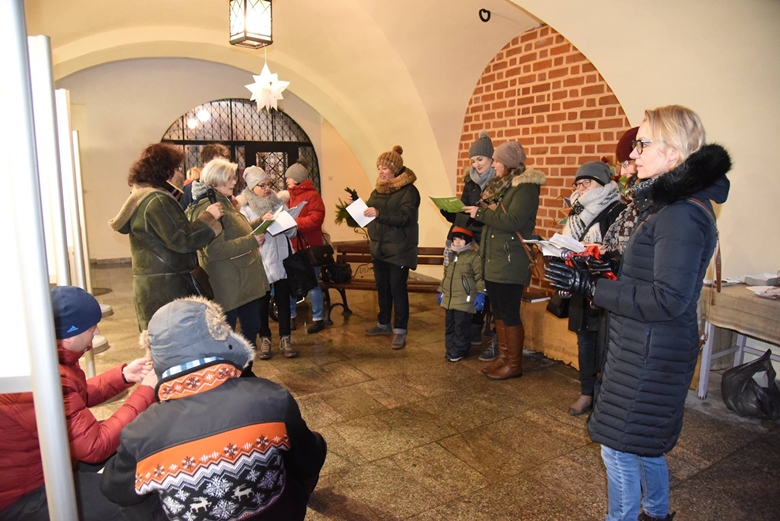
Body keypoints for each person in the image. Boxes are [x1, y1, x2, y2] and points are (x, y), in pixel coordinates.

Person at [545, 105, 731, 521]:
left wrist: (594, 287)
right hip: (643, 344)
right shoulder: (668, 206)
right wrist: (601, 267)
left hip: (654, 350)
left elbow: (667, 298)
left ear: (674, 153)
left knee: (618, 447)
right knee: (642, 442)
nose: (633, 155)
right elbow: (647, 273)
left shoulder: (682, 214)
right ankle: (657, 512)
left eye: (643, 144)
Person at [100, 297, 328, 521]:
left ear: (155, 357)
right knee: (311, 444)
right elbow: (308, 458)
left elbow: (114, 489)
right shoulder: (271, 397)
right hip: (278, 514)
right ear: (220, 338)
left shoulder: (141, 431)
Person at [0, 286, 158, 521]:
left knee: (133, 441)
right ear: (70, 334)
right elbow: (95, 447)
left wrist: (123, 376)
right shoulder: (44, 374)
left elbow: (70, 398)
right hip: (27, 495)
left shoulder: (44, 356)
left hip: (46, 464)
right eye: (91, 327)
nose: (97, 332)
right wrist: (146, 390)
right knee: (132, 507)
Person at [109, 143, 223, 331]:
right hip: (168, 289)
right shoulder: (157, 200)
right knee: (174, 343)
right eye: (177, 169)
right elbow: (182, 239)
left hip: (154, 288)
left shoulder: (143, 197)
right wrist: (208, 217)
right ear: (164, 171)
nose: (180, 173)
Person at [463, 141, 545, 380]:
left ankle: (514, 364)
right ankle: (503, 357)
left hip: (511, 260)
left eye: (497, 160)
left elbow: (514, 221)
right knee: (498, 311)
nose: (494, 164)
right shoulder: (501, 185)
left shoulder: (525, 186)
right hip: (495, 259)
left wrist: (481, 213)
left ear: (508, 162)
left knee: (509, 312)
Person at [187, 159, 276, 360]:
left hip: (241, 281)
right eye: (229, 178)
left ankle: (246, 372)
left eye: (234, 177)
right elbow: (215, 250)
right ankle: (236, 375)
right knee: (230, 338)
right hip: (229, 284)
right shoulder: (209, 206)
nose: (234, 181)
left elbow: (236, 231)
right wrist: (252, 241)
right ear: (215, 178)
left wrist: (260, 222)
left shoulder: (224, 201)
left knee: (250, 329)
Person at [559, 161, 625, 416]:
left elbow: (619, 250)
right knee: (585, 341)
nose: (581, 188)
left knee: (606, 342)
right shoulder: (577, 211)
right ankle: (586, 392)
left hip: (604, 286)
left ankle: (606, 396)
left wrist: (595, 252)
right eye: (578, 183)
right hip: (579, 284)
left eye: (587, 182)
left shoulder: (617, 210)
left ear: (603, 184)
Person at [350, 145, 420, 350]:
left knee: (398, 290)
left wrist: (380, 214)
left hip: (399, 249)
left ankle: (400, 330)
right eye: (378, 167)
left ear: (395, 170)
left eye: (384, 168)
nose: (380, 171)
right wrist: (356, 205)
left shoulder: (409, 191)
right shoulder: (378, 190)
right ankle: (383, 323)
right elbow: (368, 213)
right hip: (379, 247)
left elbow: (405, 218)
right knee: (382, 288)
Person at [440, 130, 498, 361]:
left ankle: (481, 331)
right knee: (466, 286)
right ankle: (472, 333)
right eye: (473, 161)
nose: (476, 164)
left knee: (480, 287)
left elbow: (493, 216)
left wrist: (477, 215)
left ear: (491, 160)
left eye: (480, 160)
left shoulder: (497, 183)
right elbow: (463, 212)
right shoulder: (470, 182)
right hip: (466, 240)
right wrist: (450, 212)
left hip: (484, 240)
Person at [238, 165, 298, 360]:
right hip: (260, 260)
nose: (266, 189)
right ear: (252, 187)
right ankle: (265, 338)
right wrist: (261, 226)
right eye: (261, 185)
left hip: (280, 259)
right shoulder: (245, 208)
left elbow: (292, 232)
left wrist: (287, 227)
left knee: (284, 300)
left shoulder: (277, 203)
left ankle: (285, 338)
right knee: (261, 303)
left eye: (268, 184)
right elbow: (244, 233)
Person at [285, 159, 328, 335]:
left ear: (297, 179)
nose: (286, 180)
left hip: (309, 246)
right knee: (290, 283)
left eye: (289, 177)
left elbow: (316, 219)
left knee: (312, 283)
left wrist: (294, 222)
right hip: (292, 247)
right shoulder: (287, 196)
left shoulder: (312, 196)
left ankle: (318, 319)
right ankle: (290, 317)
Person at [436, 227, 486, 362]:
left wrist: (481, 294)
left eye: (461, 240)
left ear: (468, 241)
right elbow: (446, 275)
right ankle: (451, 348)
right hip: (450, 299)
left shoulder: (474, 257)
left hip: (465, 299)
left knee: (461, 326)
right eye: (455, 239)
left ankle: (460, 350)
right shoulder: (452, 256)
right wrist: (441, 291)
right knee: (450, 325)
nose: (457, 242)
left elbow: (480, 277)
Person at [179, 144, 231, 210]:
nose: (224, 171)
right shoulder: (188, 191)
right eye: (219, 166)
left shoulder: (228, 187)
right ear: (206, 165)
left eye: (227, 167)